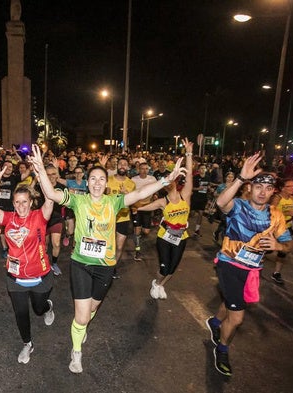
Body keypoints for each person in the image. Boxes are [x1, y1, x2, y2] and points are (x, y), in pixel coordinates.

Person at [29, 144, 185, 374]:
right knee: (81, 317)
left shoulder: (114, 202)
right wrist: (41, 169)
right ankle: (76, 350)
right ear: (88, 181)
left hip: (105, 267)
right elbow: (51, 193)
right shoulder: (78, 199)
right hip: (81, 264)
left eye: (101, 179)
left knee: (91, 309)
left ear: (106, 182)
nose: (97, 182)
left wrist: (166, 180)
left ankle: (81, 329)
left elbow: (140, 194)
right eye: (93, 178)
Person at [206, 154, 293, 377]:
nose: (262, 191)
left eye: (268, 187)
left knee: (232, 301)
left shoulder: (276, 216)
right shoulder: (239, 207)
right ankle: (222, 349)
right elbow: (221, 203)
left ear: (273, 191)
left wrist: (278, 246)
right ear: (250, 188)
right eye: (258, 186)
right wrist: (240, 178)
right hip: (229, 264)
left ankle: (215, 322)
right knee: (237, 317)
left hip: (253, 269)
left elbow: (288, 244)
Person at [0, 164, 55, 364]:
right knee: (21, 312)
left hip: (40, 276)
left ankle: (48, 307)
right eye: (17, 202)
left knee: (38, 308)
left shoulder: (40, 217)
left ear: (31, 201)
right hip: (15, 277)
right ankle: (27, 343)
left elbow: (50, 198)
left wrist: (41, 171)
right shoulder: (8, 219)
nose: (21, 206)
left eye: (25, 202)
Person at [136, 138, 194, 299]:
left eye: (172, 178)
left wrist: (188, 153)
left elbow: (189, 175)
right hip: (165, 237)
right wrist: (133, 207)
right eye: (167, 180)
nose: (170, 182)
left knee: (173, 268)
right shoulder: (163, 201)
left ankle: (160, 285)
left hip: (181, 237)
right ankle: (157, 282)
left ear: (176, 181)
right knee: (164, 268)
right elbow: (144, 207)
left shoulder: (185, 196)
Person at [268, 177, 293, 285]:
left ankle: (276, 273)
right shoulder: (277, 198)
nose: (292, 188)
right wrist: (285, 213)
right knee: (267, 249)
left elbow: (291, 213)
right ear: (282, 188)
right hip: (276, 227)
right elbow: (270, 213)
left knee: (284, 251)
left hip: (287, 227)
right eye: (288, 186)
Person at [130, 162, 157, 261]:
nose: (144, 170)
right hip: (136, 207)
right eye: (142, 168)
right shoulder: (134, 180)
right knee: (137, 229)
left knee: (146, 231)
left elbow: (155, 189)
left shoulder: (152, 179)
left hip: (147, 206)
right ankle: (137, 251)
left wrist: (155, 195)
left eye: (146, 168)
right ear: (138, 170)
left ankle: (138, 235)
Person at [212, 172, 235, 243]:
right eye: (228, 177)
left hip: (231, 207)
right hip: (221, 208)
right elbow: (215, 194)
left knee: (225, 223)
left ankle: (217, 232)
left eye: (231, 177)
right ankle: (224, 241)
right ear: (225, 178)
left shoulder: (235, 186)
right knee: (225, 222)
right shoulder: (221, 186)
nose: (230, 178)